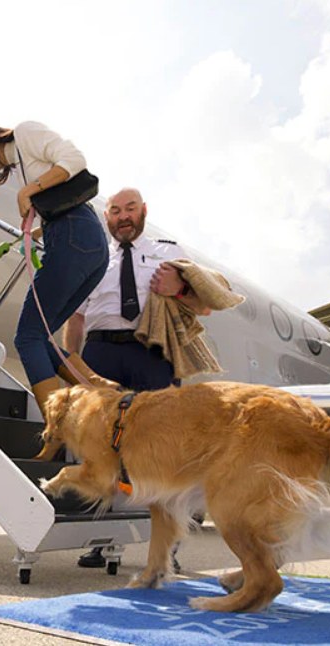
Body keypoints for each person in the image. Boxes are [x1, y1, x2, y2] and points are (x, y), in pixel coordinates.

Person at [63, 187, 207, 569]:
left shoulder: (168, 251)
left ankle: (166, 548)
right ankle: (99, 539)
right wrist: (73, 368)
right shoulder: (91, 259)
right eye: (115, 211)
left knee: (162, 451)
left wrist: (179, 289)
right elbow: (75, 318)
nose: (123, 216)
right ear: (106, 216)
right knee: (99, 448)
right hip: (100, 353)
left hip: (152, 354)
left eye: (130, 209)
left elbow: (205, 305)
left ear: (143, 211)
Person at [0, 122, 111, 415]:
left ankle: (58, 428)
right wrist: (35, 231)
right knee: (43, 338)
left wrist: (28, 192)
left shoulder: (25, 132)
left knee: (27, 337)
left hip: (73, 236)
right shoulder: (24, 163)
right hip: (86, 243)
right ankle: (106, 394)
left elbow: (75, 160)